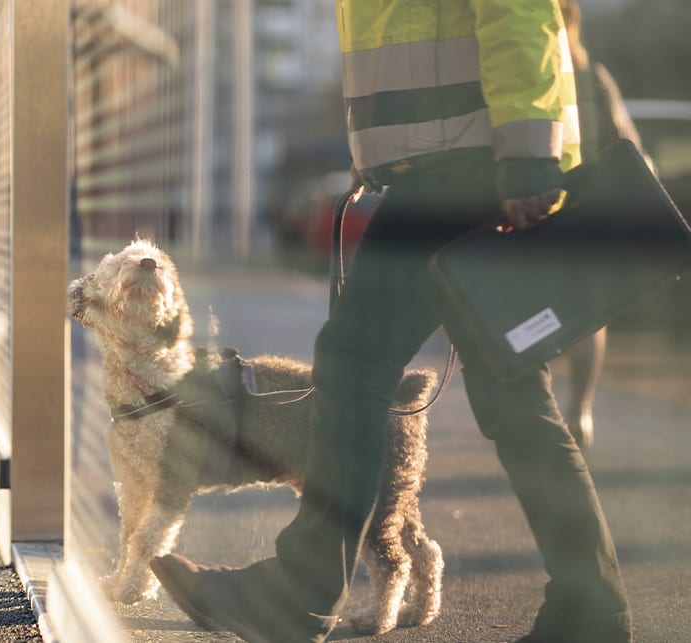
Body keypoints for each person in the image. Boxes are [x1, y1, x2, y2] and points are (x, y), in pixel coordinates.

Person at [150, 2, 633, 643]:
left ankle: (296, 596)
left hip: (466, 167)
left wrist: (526, 159)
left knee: (355, 365)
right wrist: (383, 145)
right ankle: (591, 609)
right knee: (513, 395)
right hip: (456, 162)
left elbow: (517, 13)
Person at [555, 0, 648, 451]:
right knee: (589, 317)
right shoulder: (593, 74)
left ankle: (544, 410)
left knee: (532, 307)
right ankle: (580, 409)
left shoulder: (542, 75)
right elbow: (629, 144)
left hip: (540, 207)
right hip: (587, 209)